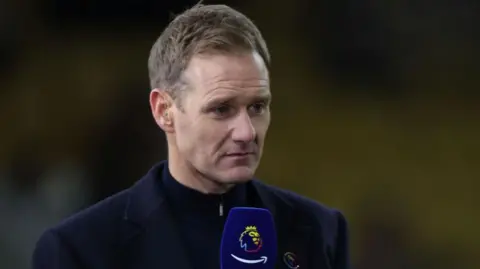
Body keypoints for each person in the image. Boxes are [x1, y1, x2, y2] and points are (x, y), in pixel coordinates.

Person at [31, 4, 350, 269]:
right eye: (221, 109)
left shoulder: (320, 232)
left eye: (257, 106)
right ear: (163, 111)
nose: (246, 132)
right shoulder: (78, 250)